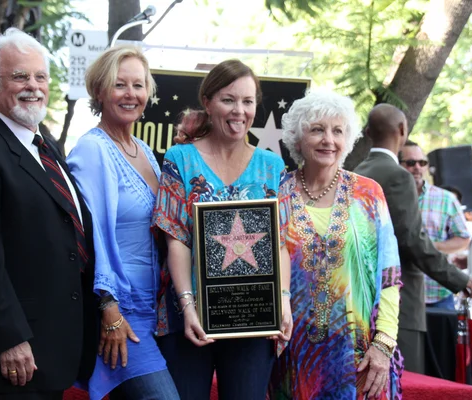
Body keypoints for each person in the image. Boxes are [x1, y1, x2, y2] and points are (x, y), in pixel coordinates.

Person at [0, 28, 97, 400]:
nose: (33, 86)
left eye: (40, 76)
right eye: (20, 76)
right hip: (17, 355)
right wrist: (9, 338)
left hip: (56, 346)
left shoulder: (48, 147)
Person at [152, 59, 293, 400]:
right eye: (229, 100)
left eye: (247, 101)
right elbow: (176, 240)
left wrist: (284, 301)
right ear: (208, 101)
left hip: (254, 317)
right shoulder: (180, 159)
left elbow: (280, 245)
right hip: (188, 319)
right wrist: (188, 307)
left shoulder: (272, 165)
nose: (239, 111)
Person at [66, 46, 179, 400]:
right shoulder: (92, 150)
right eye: (120, 85)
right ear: (100, 91)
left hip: (156, 309)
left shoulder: (144, 150)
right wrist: (110, 311)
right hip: (120, 312)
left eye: (139, 85)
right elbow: (90, 236)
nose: (131, 94)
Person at [276, 91, 402, 399]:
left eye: (337, 131)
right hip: (291, 357)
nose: (327, 140)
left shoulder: (368, 194)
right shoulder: (275, 193)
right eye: (317, 129)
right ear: (297, 137)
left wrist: (383, 344)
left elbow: (390, 275)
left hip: (360, 358)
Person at [355, 104, 472, 375]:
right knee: (405, 381)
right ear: (402, 130)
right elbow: (413, 240)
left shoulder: (356, 173)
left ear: (367, 132)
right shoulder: (398, 176)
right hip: (399, 303)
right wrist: (461, 281)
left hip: (359, 301)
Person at [400, 141, 471, 310]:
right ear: (398, 165)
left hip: (439, 295)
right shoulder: (386, 197)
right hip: (401, 296)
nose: (417, 167)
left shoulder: (446, 199)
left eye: (422, 162)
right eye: (411, 163)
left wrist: (429, 247)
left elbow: (463, 239)